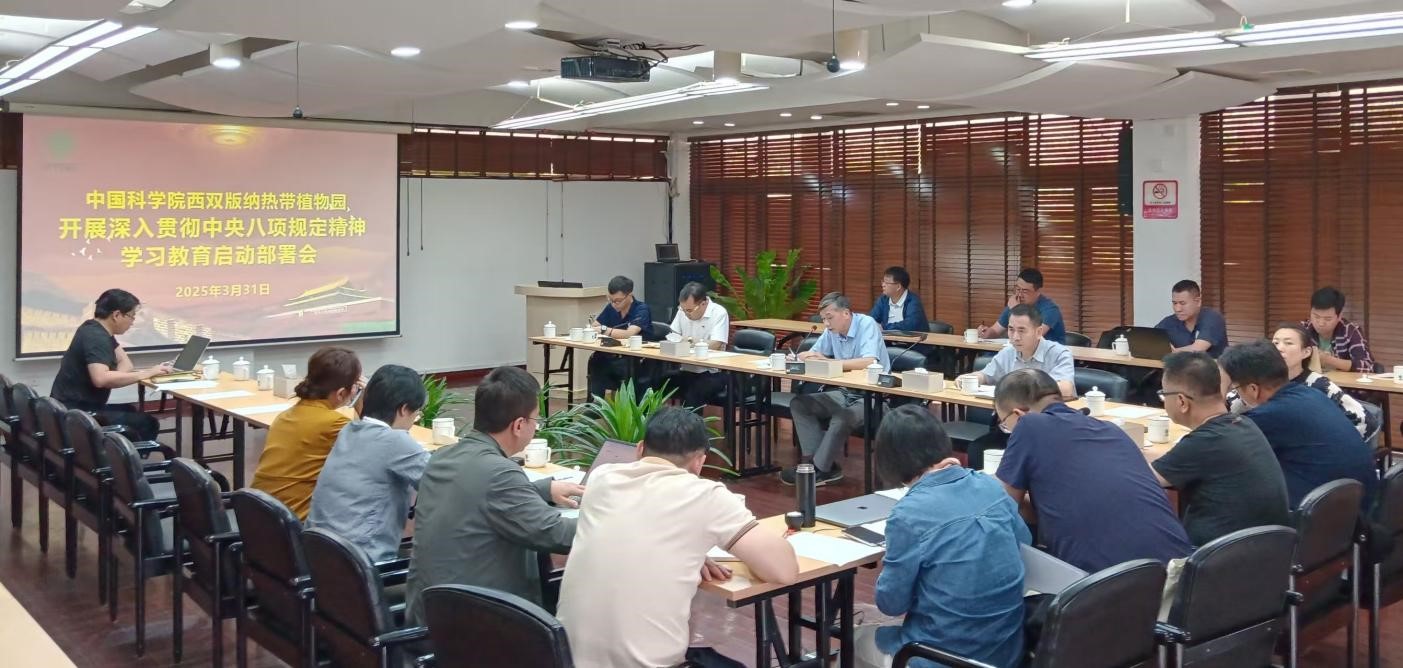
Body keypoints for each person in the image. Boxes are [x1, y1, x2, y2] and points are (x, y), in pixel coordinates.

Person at [557, 408, 798, 668]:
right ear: (699, 462)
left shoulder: (601, 478)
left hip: (565, 658)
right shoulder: (705, 496)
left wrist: (690, 548)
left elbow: (638, 524)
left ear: (640, 449)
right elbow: (784, 571)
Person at [853, 405, 1030, 668]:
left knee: (856, 641)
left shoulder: (908, 514)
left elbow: (891, 604)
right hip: (1006, 650)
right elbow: (1024, 541)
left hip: (940, 656)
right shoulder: (990, 486)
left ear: (890, 461)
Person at [405, 366, 583, 622]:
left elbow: (476, 495)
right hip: (477, 624)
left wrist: (544, 489)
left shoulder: (443, 456)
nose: (536, 428)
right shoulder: (500, 472)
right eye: (536, 420)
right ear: (519, 425)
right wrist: (617, 517)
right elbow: (556, 533)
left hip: (429, 611)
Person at [994, 369, 1192, 572]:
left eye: (1005, 425)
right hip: (1182, 571)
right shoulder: (1111, 429)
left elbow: (1002, 506)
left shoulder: (1028, 424)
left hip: (1111, 582)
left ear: (1018, 415)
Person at [1142, 352, 1290, 547]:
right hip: (1265, 550)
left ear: (1181, 402)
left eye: (1163, 394)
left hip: (1219, 556)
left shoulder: (1205, 442)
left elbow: (1142, 479)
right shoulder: (1243, 423)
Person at [1219, 340, 1377, 510]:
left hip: (1323, 514)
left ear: (1253, 389)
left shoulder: (1268, 416)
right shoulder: (1312, 394)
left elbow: (1220, 452)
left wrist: (1220, 391)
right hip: (1361, 507)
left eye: (1236, 387)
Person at [307, 364, 430, 562]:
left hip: (319, 553)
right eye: (416, 413)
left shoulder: (349, 430)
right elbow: (441, 482)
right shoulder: (395, 441)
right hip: (361, 562)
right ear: (403, 409)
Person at [781, 292, 891, 486]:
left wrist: (829, 361)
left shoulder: (867, 324)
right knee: (800, 404)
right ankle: (820, 466)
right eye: (823, 319)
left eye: (829, 318)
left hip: (873, 397)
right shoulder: (832, 330)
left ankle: (819, 470)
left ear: (846, 313)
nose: (826, 323)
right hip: (845, 392)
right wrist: (800, 357)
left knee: (843, 417)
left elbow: (868, 361)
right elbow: (815, 353)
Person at [250, 347, 363, 520]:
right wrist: (363, 402)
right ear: (341, 393)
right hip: (294, 523)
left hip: (258, 514)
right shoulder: (335, 423)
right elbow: (377, 444)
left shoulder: (285, 415)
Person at [959, 304, 1075, 471]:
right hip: (1010, 427)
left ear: (1038, 332)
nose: (1015, 337)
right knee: (978, 450)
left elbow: (1065, 388)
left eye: (1022, 331)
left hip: (1046, 430)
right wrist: (971, 377)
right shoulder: (1008, 352)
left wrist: (1019, 390)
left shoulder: (1059, 353)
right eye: (1011, 330)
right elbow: (986, 375)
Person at [49, 289, 173, 442]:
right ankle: (123, 457)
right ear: (116, 315)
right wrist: (147, 373)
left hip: (74, 406)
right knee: (147, 423)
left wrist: (112, 377)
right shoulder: (97, 338)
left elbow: (126, 364)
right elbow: (101, 379)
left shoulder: (95, 328)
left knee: (130, 410)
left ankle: (116, 452)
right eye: (131, 316)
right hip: (77, 411)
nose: (133, 322)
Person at [1226, 324, 1377, 439]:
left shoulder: (1319, 385)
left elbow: (1365, 422)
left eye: (1288, 343)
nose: (1280, 348)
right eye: (1275, 343)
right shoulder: (1256, 383)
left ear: (1306, 352)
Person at [588, 275, 658, 399]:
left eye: (618, 301)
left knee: (626, 366)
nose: (614, 304)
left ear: (629, 295)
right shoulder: (611, 307)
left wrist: (604, 330)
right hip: (615, 356)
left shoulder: (641, 309)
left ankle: (629, 405)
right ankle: (595, 403)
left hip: (638, 361)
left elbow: (629, 334)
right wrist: (597, 329)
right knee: (596, 360)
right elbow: (594, 326)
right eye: (610, 300)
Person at [665, 282, 730, 409]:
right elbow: (674, 335)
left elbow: (715, 344)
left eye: (689, 310)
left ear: (703, 304)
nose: (686, 314)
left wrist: (689, 340)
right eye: (683, 309)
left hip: (711, 373)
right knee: (652, 383)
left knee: (693, 393)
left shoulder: (719, 313)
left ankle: (688, 423)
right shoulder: (683, 310)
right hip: (686, 369)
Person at [978, 267, 1066, 344]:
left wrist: (1016, 310)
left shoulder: (1050, 310)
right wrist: (986, 332)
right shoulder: (1016, 303)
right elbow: (995, 331)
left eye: (1025, 291)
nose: (1020, 294)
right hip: (1021, 353)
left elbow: (1032, 337)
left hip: (1048, 355)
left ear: (1038, 291)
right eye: (1018, 289)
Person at [1303, 287, 1374, 372]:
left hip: (1342, 381)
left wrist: (1329, 360)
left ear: (1339, 316)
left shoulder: (1350, 331)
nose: (1321, 323)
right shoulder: (1303, 329)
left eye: (1328, 319)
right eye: (1316, 317)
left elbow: (1367, 366)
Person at [1154, 280, 1228, 358]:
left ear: (1198, 301)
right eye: (1175, 303)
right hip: (1180, 365)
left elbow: (1198, 349)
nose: (1177, 309)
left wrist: (1170, 351)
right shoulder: (1170, 321)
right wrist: (1162, 346)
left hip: (1211, 365)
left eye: (1183, 303)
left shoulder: (1212, 317)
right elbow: (1151, 340)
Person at [869, 266, 929, 332]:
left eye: (887, 283)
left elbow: (910, 325)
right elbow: (871, 320)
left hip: (911, 338)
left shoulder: (913, 301)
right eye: (883, 281)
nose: (883, 285)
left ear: (898, 287)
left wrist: (883, 327)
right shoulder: (883, 299)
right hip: (887, 338)